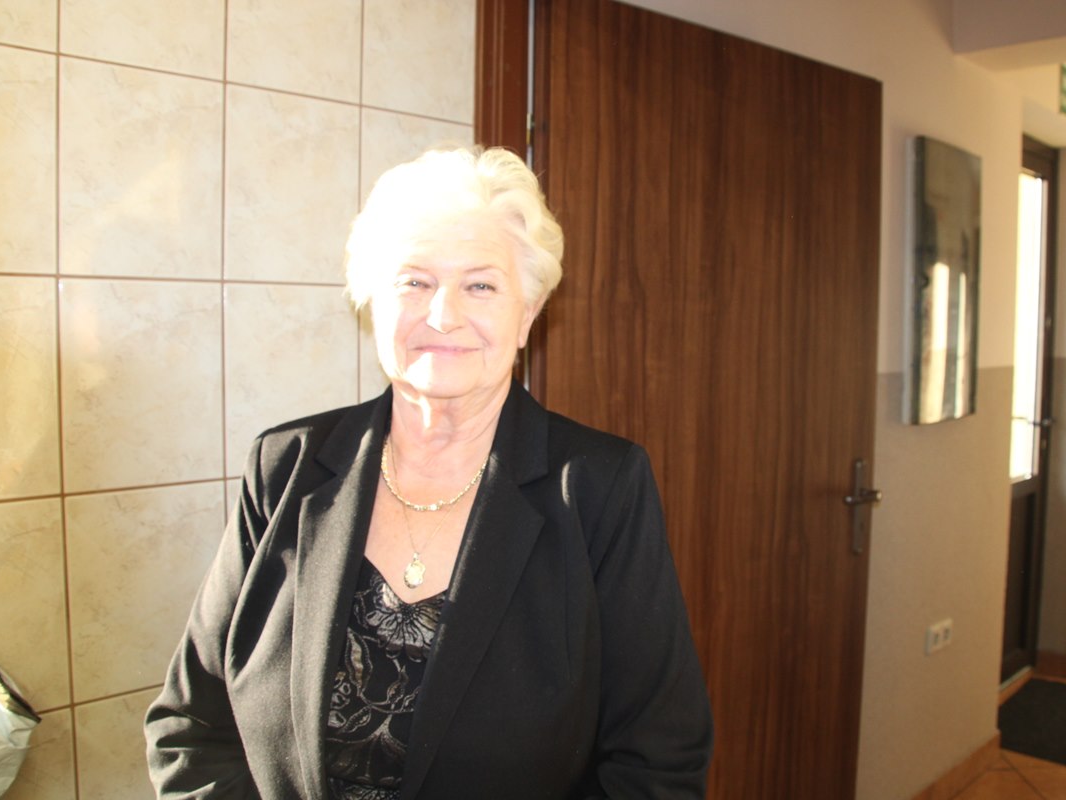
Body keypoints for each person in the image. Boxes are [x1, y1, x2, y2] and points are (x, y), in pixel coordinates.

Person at [144, 146, 713, 799]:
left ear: (527, 314)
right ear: (371, 302)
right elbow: (190, 726)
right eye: (413, 282)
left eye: (481, 285)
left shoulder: (600, 487)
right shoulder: (285, 468)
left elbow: (658, 760)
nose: (443, 315)